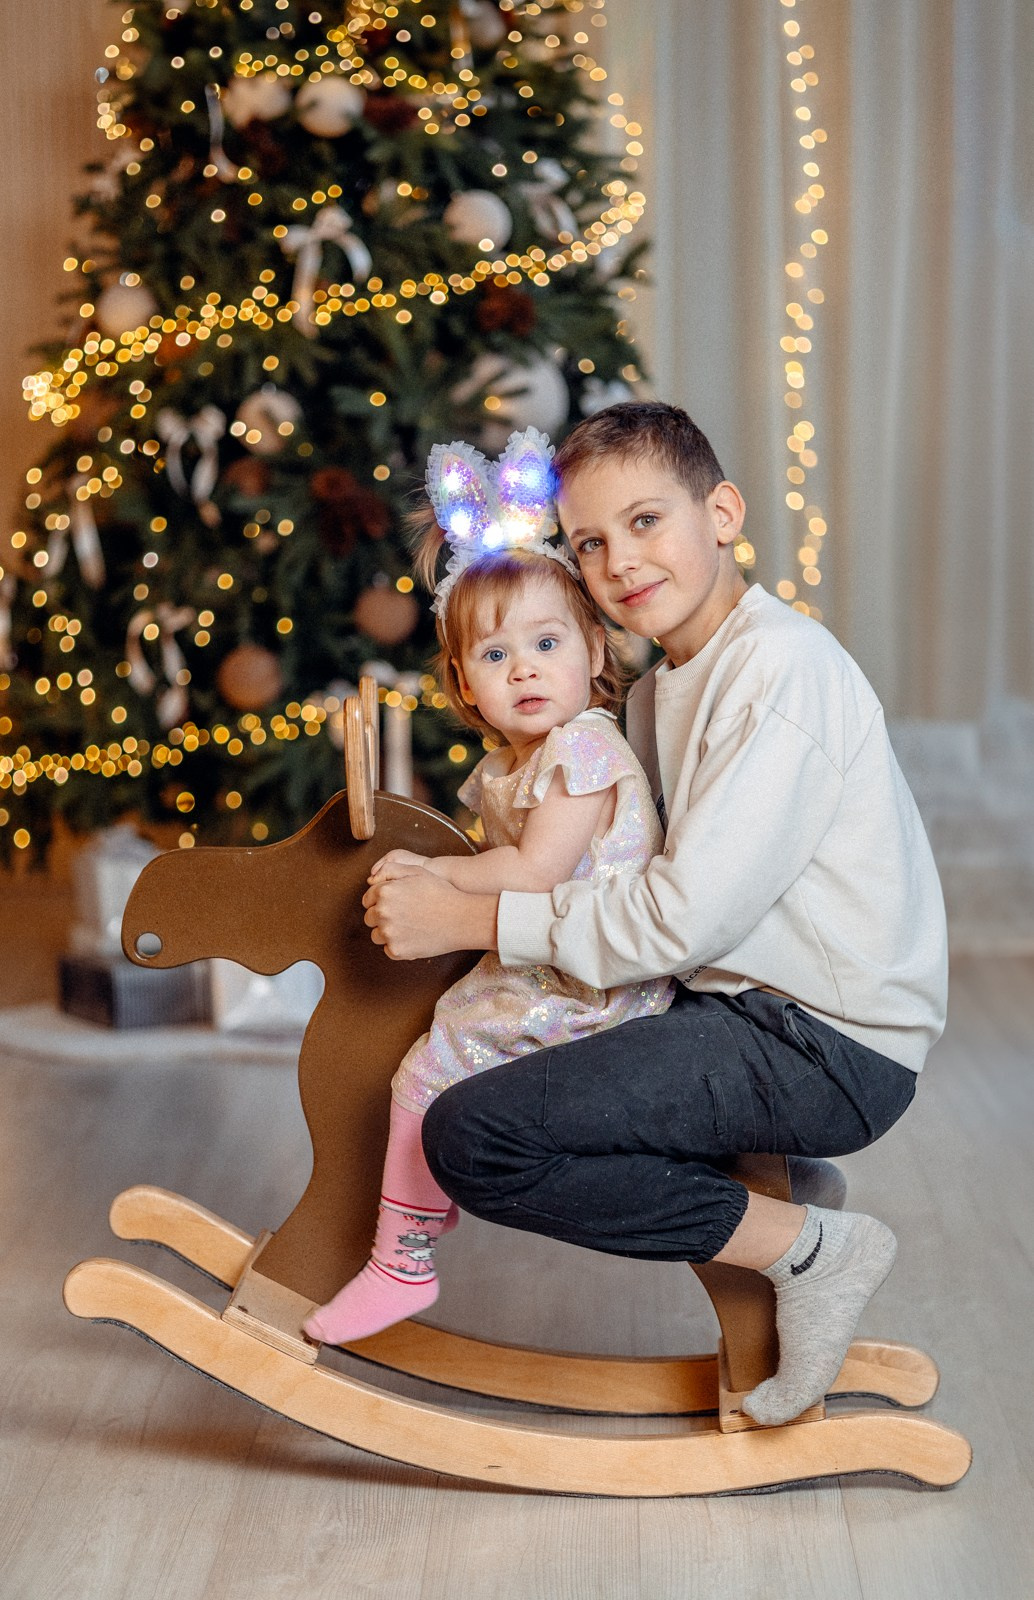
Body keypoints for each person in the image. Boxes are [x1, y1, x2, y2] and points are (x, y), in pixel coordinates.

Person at [362, 401, 948, 1428]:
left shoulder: (778, 673)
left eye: (644, 521)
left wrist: (473, 923)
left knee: (477, 1137)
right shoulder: (650, 694)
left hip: (824, 1039)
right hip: (728, 1009)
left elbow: (679, 918)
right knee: (512, 1064)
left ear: (719, 511)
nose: (619, 559)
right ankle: (787, 1195)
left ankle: (810, 1245)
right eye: (588, 542)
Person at [303, 426, 674, 1346]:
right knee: (422, 1034)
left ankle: (401, 1261)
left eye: (547, 643)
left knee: (429, 1062)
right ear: (465, 683)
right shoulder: (517, 761)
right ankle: (410, 1219)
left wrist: (433, 872)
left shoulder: (585, 745)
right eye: (497, 657)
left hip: (593, 979)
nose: (526, 670)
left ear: (595, 651)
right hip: (548, 951)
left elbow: (535, 871)